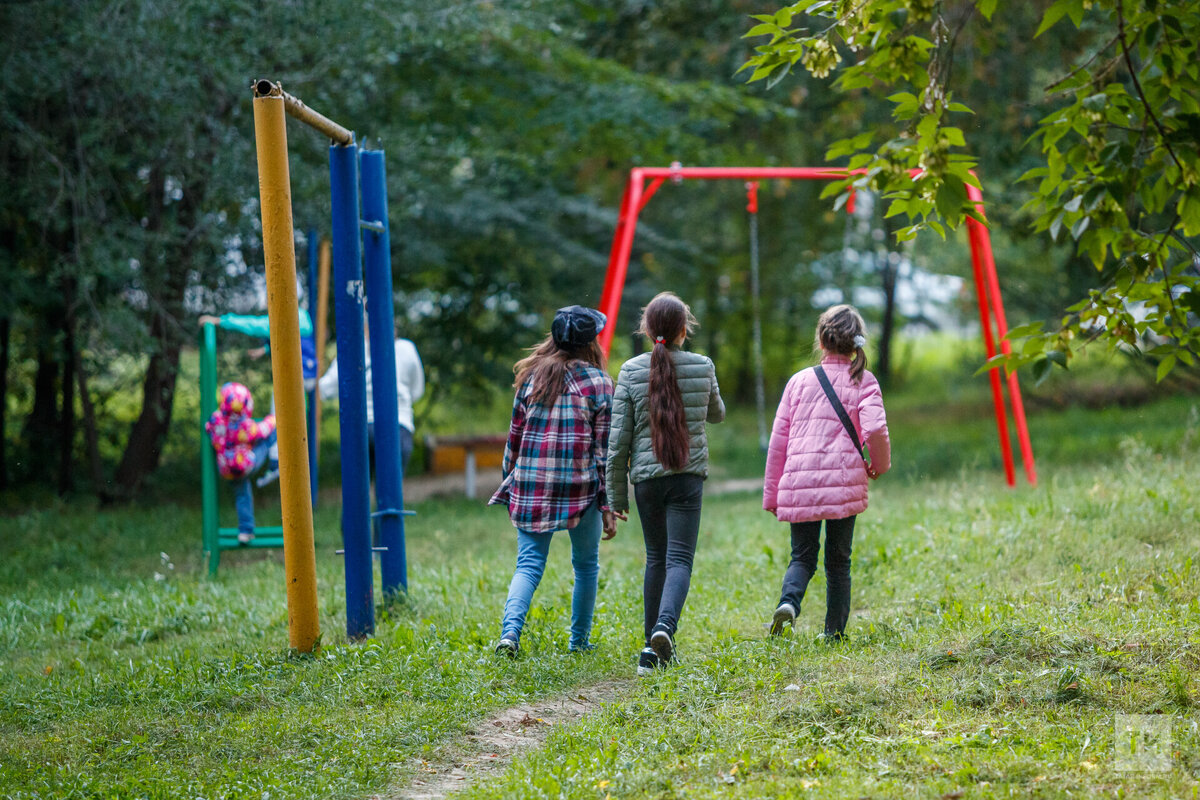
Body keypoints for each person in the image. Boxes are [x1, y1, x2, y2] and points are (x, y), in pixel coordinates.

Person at [606, 292, 725, 675]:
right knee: (679, 560)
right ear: (683, 330)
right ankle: (664, 628)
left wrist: (615, 496)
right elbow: (717, 414)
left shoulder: (628, 372)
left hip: (646, 482)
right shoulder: (703, 365)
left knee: (656, 558)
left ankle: (650, 651)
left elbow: (617, 442)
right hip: (687, 478)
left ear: (646, 328)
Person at [488, 306, 618, 656]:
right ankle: (578, 643)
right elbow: (603, 453)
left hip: (532, 484)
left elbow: (513, 440)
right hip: (581, 488)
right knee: (586, 565)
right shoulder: (602, 384)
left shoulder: (531, 378)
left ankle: (509, 636)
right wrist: (608, 505)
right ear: (590, 342)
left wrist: (510, 484)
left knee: (528, 565)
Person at [762, 304, 891, 641]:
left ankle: (789, 604)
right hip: (844, 482)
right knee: (839, 562)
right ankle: (832, 633)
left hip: (800, 481)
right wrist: (879, 465)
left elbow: (779, 442)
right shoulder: (864, 379)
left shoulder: (798, 382)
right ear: (856, 344)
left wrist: (772, 492)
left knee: (802, 556)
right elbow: (876, 429)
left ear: (821, 341)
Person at [198, 309, 317, 488]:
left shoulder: (283, 315)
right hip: (309, 374)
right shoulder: (300, 317)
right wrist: (266, 349)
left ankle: (278, 461)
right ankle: (284, 457)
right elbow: (292, 340)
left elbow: (253, 325)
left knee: (278, 418)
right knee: (289, 417)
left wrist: (219, 321)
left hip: (296, 375)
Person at [318, 321, 424, 475]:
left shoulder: (352, 350)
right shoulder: (406, 348)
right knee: (392, 490)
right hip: (398, 423)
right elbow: (417, 390)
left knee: (359, 490)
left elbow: (325, 390)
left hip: (361, 425)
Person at [204, 382, 277, 544]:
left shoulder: (216, 420)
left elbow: (208, 428)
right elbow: (262, 430)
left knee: (242, 495)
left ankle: (245, 531)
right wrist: (272, 419)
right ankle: (275, 462)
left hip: (226, 468)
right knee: (267, 440)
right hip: (244, 466)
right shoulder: (244, 425)